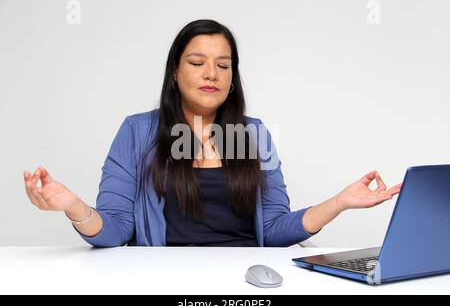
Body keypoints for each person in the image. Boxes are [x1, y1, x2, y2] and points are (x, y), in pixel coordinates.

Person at [23, 20, 402, 247]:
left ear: (233, 77)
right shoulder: (137, 131)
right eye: (197, 62)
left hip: (246, 283)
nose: (211, 74)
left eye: (223, 65)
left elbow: (273, 230)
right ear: (175, 71)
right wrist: (73, 207)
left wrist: (339, 202)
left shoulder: (253, 134)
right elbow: (116, 231)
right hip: (165, 281)